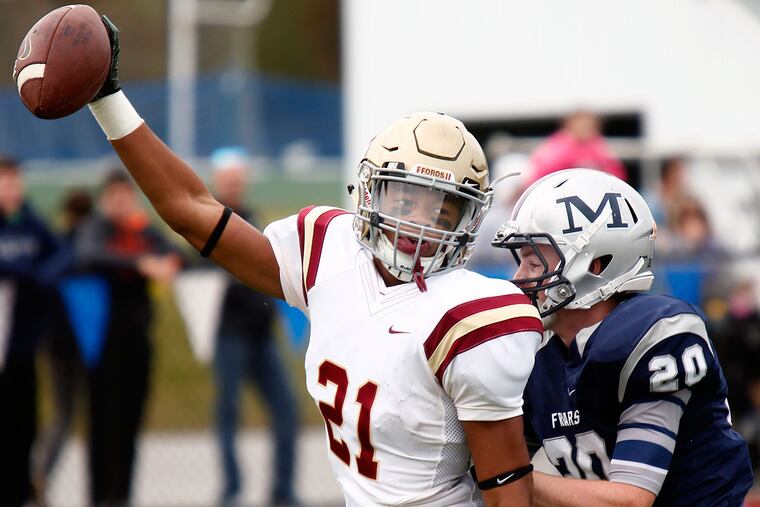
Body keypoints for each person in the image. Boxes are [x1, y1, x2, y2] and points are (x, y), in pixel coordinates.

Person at [74, 17, 544, 506]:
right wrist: (107, 99)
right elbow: (194, 212)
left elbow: (508, 495)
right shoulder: (329, 250)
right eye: (404, 200)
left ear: (468, 219)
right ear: (369, 193)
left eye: (441, 207)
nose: (418, 224)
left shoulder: (475, 314)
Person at [492, 168, 753, 506]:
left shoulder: (655, 336)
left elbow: (631, 500)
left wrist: (505, 477)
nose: (519, 278)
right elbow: (495, 455)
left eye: (534, 262)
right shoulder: (541, 352)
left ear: (596, 264)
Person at [76, 170, 181, 507]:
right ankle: (99, 496)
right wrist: (141, 263)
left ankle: (122, 496)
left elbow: (178, 255)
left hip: (137, 341)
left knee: (131, 424)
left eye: (126, 195)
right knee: (102, 424)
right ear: (105, 200)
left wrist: (167, 262)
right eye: (115, 196)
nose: (121, 202)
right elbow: (89, 255)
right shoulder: (97, 229)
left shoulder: (142, 231)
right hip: (102, 344)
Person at [208, 147, 300, 507]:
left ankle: (282, 490)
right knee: (228, 413)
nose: (235, 184)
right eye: (229, 179)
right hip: (229, 333)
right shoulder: (210, 219)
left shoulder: (253, 219)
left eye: (239, 178)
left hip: (261, 335)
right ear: (219, 182)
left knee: (286, 410)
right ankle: (231, 490)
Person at [0, 156, 68, 507]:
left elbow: (59, 256)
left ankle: (21, 490)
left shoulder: (29, 222)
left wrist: (35, 274)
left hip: (22, 347)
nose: (13, 190)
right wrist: (26, 270)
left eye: (16, 182)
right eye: (6, 183)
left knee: (23, 425)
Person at [33, 189, 93, 499]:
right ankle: (41, 473)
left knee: (64, 414)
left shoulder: (58, 245)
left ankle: (41, 473)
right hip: (76, 345)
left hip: (57, 343)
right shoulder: (81, 249)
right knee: (71, 415)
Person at [528, 110, 627, 186]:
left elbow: (617, 175)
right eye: (582, 125)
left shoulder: (599, 145)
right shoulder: (557, 144)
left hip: (593, 190)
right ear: (570, 125)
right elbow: (539, 174)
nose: (585, 129)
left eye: (589, 127)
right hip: (560, 191)